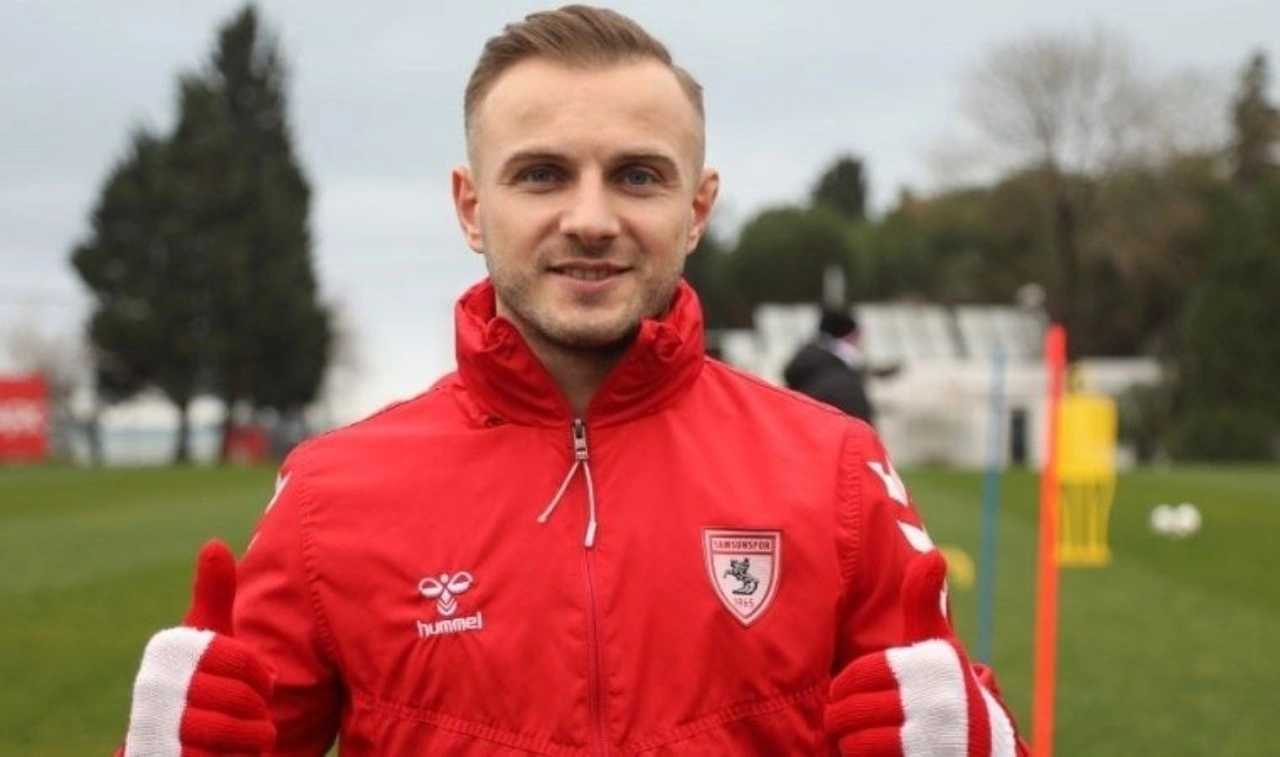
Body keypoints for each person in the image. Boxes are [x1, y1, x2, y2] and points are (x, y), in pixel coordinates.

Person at [118, 6, 1026, 755]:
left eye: (637, 175)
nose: (590, 219)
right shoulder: (330, 496)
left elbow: (950, 716)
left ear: (696, 209)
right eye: (543, 174)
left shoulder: (833, 470)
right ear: (472, 206)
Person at [783, 308, 877, 425]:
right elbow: (860, 430)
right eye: (856, 337)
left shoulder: (806, 370)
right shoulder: (844, 384)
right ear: (847, 337)